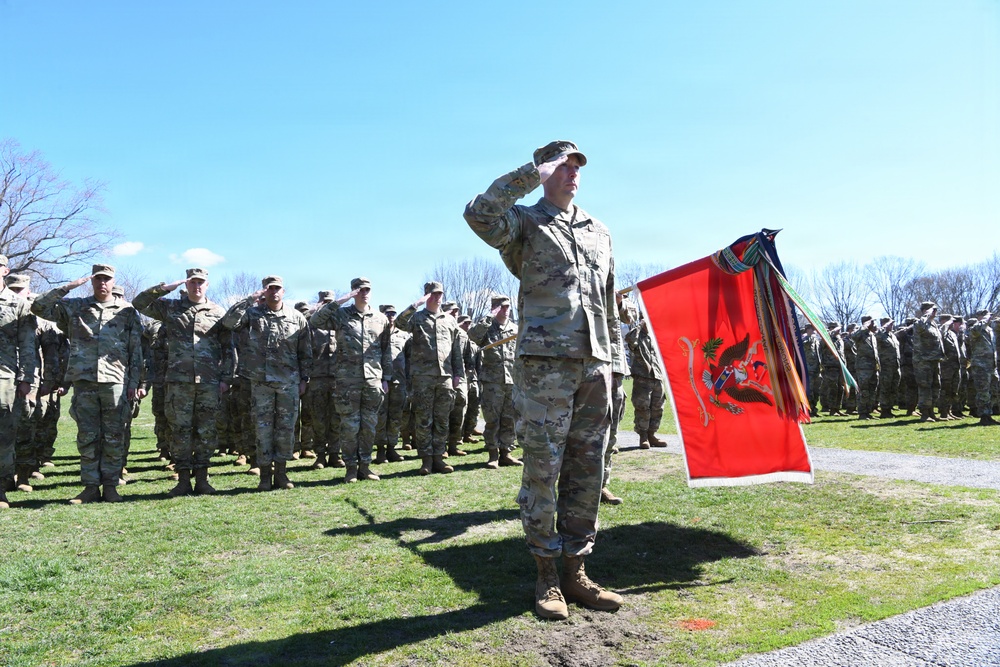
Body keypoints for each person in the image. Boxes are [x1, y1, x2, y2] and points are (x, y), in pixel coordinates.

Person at [464, 140, 623, 620]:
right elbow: (479, 215)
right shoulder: (524, 222)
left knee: (587, 469)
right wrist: (530, 172)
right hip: (544, 366)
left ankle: (576, 569)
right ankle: (546, 576)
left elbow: (609, 298)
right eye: (563, 164)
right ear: (545, 168)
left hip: (596, 365)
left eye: (578, 165)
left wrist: (616, 363)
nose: (573, 172)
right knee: (543, 469)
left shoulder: (598, 230)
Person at [31, 264, 144, 504]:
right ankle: (91, 487)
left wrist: (135, 381)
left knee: (114, 435)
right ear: (92, 281)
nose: (102, 283)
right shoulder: (76, 307)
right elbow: (39, 306)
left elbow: (136, 351)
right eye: (98, 279)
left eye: (107, 279)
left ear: (113, 282)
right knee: (87, 436)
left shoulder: (127, 311)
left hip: (116, 381)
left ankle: (111, 486)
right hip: (84, 380)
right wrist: (69, 286)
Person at [134, 268, 233, 496]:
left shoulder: (218, 312)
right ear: (186, 284)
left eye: (201, 282)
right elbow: (139, 303)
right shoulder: (170, 308)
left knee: (206, 431)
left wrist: (226, 378)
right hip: (179, 382)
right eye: (192, 282)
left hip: (208, 382)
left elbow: (229, 348)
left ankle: (202, 479)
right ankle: (182, 480)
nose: (197, 286)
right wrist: (165, 287)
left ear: (207, 285)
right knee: (180, 431)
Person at [220, 276, 311, 491]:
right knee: (262, 430)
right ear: (264, 291)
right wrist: (249, 299)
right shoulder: (251, 314)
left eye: (277, 288)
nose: (274, 292)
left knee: (285, 429)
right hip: (259, 382)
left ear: (283, 290)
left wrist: (304, 379)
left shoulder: (296, 317)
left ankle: (281, 473)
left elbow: (305, 352)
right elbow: (228, 322)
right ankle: (264, 475)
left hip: (288, 382)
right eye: (269, 289)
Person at [310, 277, 391, 483]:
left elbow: (386, 351)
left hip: (373, 379)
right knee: (349, 427)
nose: (364, 293)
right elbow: (315, 321)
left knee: (369, 426)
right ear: (353, 291)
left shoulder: (380, 319)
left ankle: (365, 467)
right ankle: (351, 469)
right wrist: (342, 300)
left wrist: (386, 378)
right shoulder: (340, 315)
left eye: (367, 289)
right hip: (347, 380)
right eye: (359, 289)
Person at [394, 281, 464, 475]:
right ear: (426, 296)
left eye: (439, 293)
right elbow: (399, 323)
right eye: (433, 294)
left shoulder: (449, 320)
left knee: (442, 419)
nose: (437, 297)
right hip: (422, 377)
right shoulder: (416, 318)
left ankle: (439, 458)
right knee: (424, 420)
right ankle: (426, 460)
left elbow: (456, 349)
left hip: (445, 377)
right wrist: (415, 304)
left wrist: (458, 373)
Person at [467, 295, 522, 470]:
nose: (506, 310)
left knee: (510, 418)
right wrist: (489, 317)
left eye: (507, 307)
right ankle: (493, 454)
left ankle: (506, 453)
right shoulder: (487, 328)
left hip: (512, 380)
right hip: (492, 381)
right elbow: (473, 337)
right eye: (502, 307)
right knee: (492, 418)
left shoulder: (515, 328)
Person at [0, 257, 37, 509]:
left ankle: (0, 488)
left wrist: (26, 379)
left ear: (5, 270)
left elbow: (27, 345)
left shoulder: (19, 304)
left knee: (4, 436)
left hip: (4, 377)